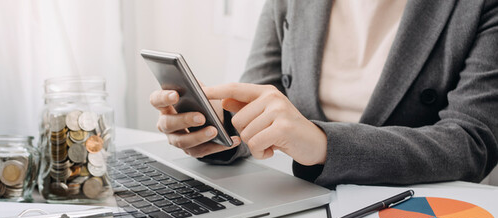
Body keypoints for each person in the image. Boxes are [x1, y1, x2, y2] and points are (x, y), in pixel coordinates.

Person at [150, 0, 498, 188]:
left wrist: (323, 144)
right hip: (295, 196)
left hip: (405, 205)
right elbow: (254, 101)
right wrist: (215, 128)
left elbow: (472, 141)